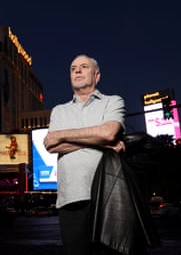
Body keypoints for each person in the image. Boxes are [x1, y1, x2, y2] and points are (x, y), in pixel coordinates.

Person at [43, 54, 126, 255]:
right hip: (71, 197)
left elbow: (109, 132)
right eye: (73, 68)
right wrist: (103, 143)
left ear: (97, 76)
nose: (77, 71)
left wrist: (61, 135)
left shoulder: (112, 101)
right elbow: (51, 145)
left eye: (83, 67)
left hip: (108, 196)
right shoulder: (59, 110)